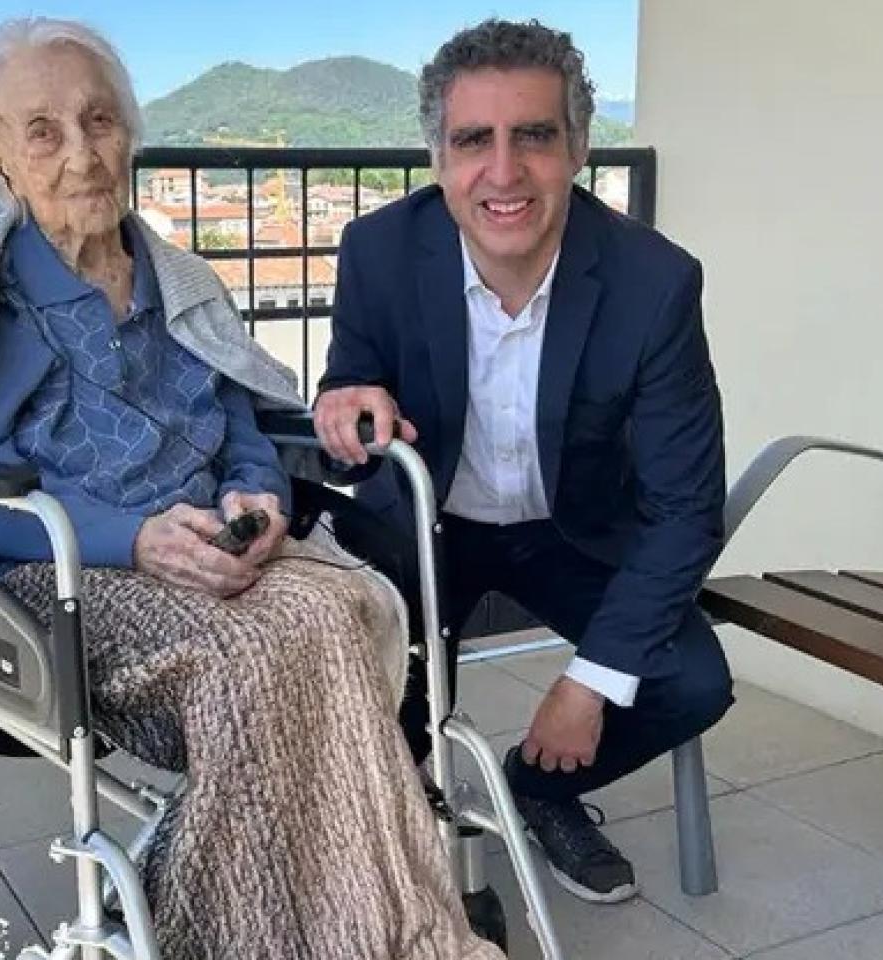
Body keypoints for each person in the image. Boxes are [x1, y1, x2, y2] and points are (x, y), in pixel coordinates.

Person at [0, 18, 502, 960]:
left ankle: (375, 927)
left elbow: (240, 420)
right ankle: (245, 928)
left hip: (217, 547)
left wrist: (256, 499)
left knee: (349, 605)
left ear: (131, 133)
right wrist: (133, 538)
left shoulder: (174, 279)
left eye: (100, 120)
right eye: (43, 131)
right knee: (255, 660)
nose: (81, 154)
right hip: (72, 575)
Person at [312, 18, 735, 905]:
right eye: (474, 140)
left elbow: (686, 505)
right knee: (373, 718)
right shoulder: (380, 251)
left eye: (533, 137)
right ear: (438, 155)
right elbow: (350, 377)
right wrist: (346, 402)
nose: (503, 173)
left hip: (570, 534)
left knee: (689, 680)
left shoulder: (654, 283)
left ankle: (536, 789)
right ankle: (404, 847)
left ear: (578, 148)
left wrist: (587, 682)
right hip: (425, 532)